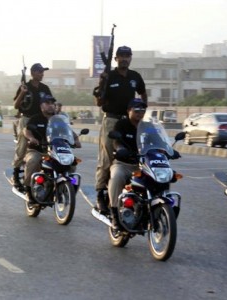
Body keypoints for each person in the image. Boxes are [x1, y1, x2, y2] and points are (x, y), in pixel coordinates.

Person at [93, 45, 147, 214]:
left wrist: (143, 110)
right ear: (115, 59)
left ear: (131, 58)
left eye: (127, 55)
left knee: (139, 156)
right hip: (111, 119)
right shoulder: (110, 76)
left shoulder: (135, 76)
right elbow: (99, 102)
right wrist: (102, 82)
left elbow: (143, 93)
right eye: (121, 56)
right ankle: (101, 195)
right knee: (107, 159)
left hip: (131, 121)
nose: (124, 58)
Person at [23, 95, 81, 203]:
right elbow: (26, 130)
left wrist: (76, 140)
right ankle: (28, 190)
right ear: (41, 106)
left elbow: (69, 131)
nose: (50, 106)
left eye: (52, 103)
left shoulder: (59, 119)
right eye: (47, 103)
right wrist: (32, 138)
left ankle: (66, 187)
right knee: (33, 160)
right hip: (38, 150)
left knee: (71, 164)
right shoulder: (36, 118)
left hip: (56, 150)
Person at [11, 63, 53, 191]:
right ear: (33, 73)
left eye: (42, 72)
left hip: (42, 119)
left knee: (47, 146)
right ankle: (16, 174)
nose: (42, 74)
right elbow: (16, 105)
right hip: (27, 119)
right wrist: (22, 93)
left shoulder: (45, 88)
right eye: (40, 72)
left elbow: (51, 102)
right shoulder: (25, 87)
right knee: (23, 146)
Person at [107, 98, 147, 228]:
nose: (140, 113)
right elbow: (116, 141)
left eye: (142, 110)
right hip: (123, 164)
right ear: (129, 110)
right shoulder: (122, 124)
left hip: (142, 166)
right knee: (117, 177)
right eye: (136, 110)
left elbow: (156, 141)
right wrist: (120, 149)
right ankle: (114, 213)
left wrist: (167, 150)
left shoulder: (146, 127)